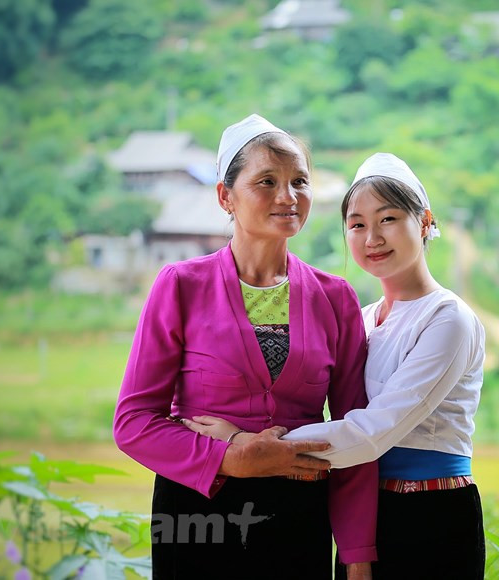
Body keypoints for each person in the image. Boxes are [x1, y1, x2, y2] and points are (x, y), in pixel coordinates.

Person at [185, 152, 487, 579]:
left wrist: (246, 442)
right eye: (357, 224)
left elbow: (371, 431)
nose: (372, 238)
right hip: (361, 511)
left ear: (423, 222)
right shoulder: (364, 320)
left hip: (430, 512)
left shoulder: (448, 318)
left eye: (388, 219)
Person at [113, 114, 377, 580]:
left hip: (299, 520)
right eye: (267, 181)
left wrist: (356, 555)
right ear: (225, 197)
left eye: (300, 181)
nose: (287, 196)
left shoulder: (335, 297)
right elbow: (134, 423)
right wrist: (232, 456)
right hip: (197, 517)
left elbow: (358, 432)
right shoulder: (180, 286)